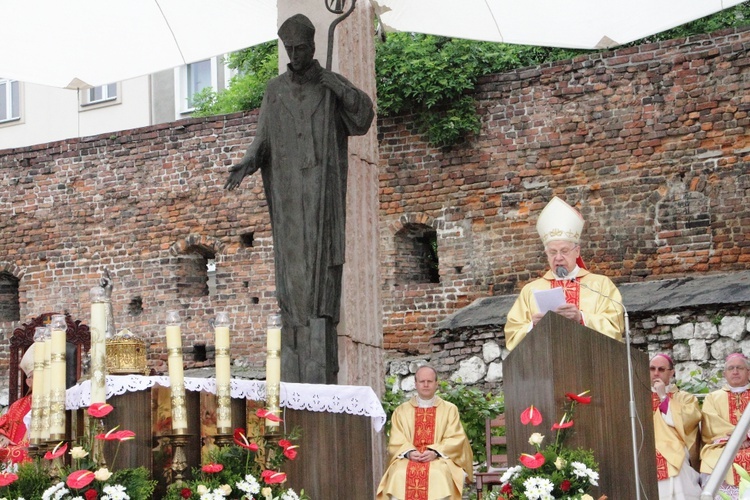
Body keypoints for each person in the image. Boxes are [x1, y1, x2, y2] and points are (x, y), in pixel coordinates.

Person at [224, 13, 374, 384]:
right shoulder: (275, 91)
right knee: (292, 278)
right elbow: (264, 139)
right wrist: (248, 161)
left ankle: (318, 346)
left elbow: (362, 118)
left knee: (322, 272)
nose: (295, 54)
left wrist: (337, 84)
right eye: (289, 49)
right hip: (289, 195)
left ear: (311, 46)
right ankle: (293, 336)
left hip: (322, 194)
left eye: (301, 48)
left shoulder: (329, 86)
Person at [504, 196, 624, 350]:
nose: (558, 257)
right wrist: (533, 326)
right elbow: (512, 334)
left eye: (564, 251)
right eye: (553, 252)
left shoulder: (600, 285)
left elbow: (615, 327)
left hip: (592, 363)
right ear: (546, 254)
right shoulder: (530, 291)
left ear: (577, 252)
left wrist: (581, 318)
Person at [376, 366, 473, 500]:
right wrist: (409, 452)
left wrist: (435, 452)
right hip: (409, 458)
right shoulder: (401, 411)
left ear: (436, 384)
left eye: (430, 381)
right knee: (398, 473)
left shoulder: (450, 409)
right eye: (422, 381)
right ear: (415, 384)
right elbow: (396, 440)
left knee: (438, 474)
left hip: (439, 458)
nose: (426, 385)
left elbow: (455, 438)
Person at [650, 353, 702, 499]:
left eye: (661, 369)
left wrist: (663, 398)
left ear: (671, 372)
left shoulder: (685, 398)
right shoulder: (638, 398)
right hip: (645, 448)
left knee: (672, 459)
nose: (655, 373)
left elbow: (687, 422)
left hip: (674, 449)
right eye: (652, 368)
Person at [701, 353, 750, 498]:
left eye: (740, 368)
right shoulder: (713, 398)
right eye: (731, 368)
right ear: (724, 374)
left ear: (748, 372)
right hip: (723, 445)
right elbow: (711, 424)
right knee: (714, 460)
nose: (735, 371)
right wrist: (737, 438)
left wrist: (746, 436)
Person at [0, 345, 35, 464]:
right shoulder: (17, 406)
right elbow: (2, 427)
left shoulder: (61, 403)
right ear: (29, 382)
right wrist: (2, 437)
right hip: (15, 459)